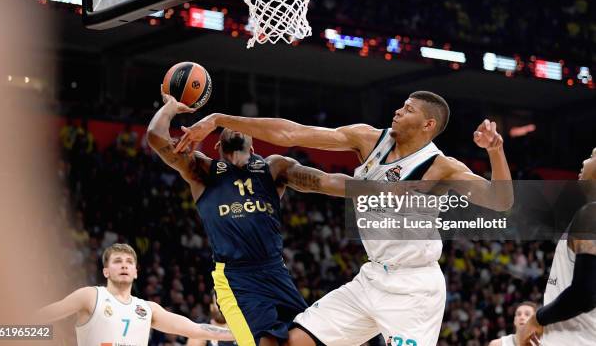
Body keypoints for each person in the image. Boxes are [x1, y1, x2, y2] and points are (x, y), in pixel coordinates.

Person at [174, 91, 513, 346]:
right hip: (370, 279)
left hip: (414, 288)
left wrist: (495, 151)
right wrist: (220, 119)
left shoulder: (443, 168)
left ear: (428, 124)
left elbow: (501, 201)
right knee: (295, 342)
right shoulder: (368, 139)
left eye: (408, 109)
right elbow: (292, 133)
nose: (398, 110)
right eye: (401, 104)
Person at [147, 90, 351, 346]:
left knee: (303, 340)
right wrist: (171, 107)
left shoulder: (274, 167)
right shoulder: (203, 171)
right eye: (228, 128)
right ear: (217, 146)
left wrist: (375, 190)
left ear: (253, 147)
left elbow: (326, 181)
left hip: (276, 271)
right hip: (237, 277)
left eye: (240, 126)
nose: (235, 128)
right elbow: (155, 137)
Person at [37, 243, 235, 346]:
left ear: (136, 272)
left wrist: (242, 335)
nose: (124, 264)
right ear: (106, 271)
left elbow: (196, 329)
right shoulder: (90, 296)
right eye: (117, 261)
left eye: (129, 262)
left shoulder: (148, 309)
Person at [519, 147, 596, 346]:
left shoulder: (591, 215)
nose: (584, 161)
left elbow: (584, 295)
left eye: (592, 156)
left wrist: (537, 319)